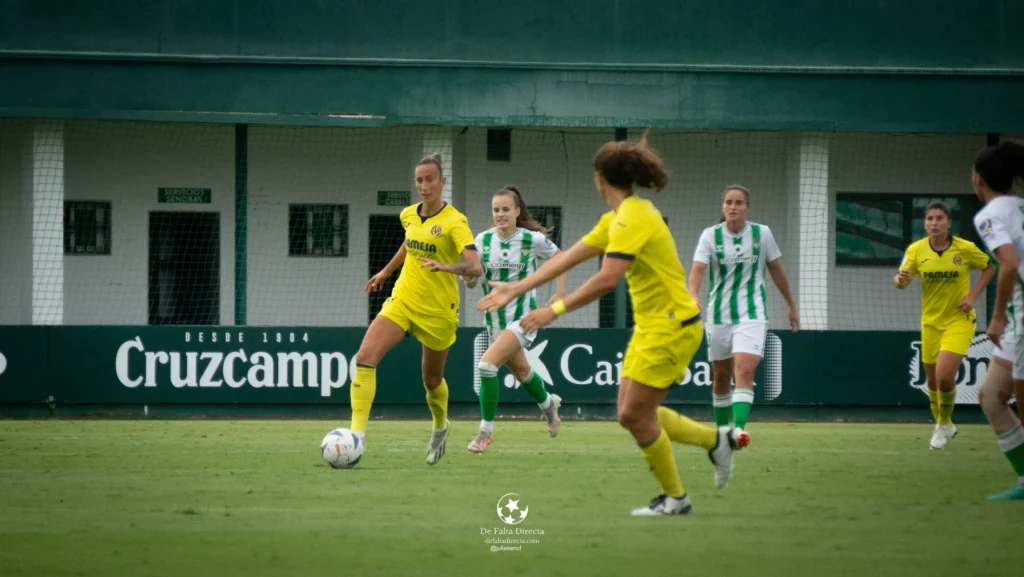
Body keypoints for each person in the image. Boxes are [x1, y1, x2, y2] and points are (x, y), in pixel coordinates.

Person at [478, 132, 746, 516]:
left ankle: (678, 495)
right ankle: (715, 443)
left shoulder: (633, 219)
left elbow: (607, 278)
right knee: (631, 412)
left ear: (601, 178)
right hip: (653, 326)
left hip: (673, 326)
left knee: (634, 415)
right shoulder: (619, 217)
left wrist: (552, 310)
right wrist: (516, 288)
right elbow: (569, 257)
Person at [352, 153, 482, 466]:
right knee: (365, 358)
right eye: (419, 180)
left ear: (442, 182)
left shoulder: (456, 222)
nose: (424, 186)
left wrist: (446, 266)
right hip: (404, 300)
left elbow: (475, 267)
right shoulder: (408, 214)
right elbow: (410, 243)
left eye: (430, 180)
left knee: (431, 380)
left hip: (439, 310)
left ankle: (440, 426)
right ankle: (356, 435)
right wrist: (385, 272)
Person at [687, 186, 799, 438]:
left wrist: (791, 305)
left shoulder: (763, 233)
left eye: (738, 203)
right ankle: (722, 431)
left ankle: (738, 431)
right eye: (728, 202)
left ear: (747, 207)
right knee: (722, 376)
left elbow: (777, 270)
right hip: (718, 316)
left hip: (752, 313)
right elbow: (697, 271)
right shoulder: (709, 236)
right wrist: (693, 295)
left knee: (745, 370)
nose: (733, 207)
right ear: (723, 206)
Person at [462, 185, 567, 453]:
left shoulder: (531, 240)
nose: (500, 214)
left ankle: (485, 432)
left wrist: (559, 293)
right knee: (522, 372)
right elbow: (473, 282)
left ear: (517, 211)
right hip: (495, 321)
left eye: (506, 209)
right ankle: (548, 405)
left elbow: (561, 258)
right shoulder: (482, 240)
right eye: (496, 210)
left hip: (524, 319)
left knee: (486, 367)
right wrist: (470, 278)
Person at [895, 200, 995, 449]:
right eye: (930, 219)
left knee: (944, 376)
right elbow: (900, 282)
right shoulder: (916, 250)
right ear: (925, 224)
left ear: (949, 223)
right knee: (932, 382)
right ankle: (944, 425)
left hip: (958, 321)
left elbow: (989, 267)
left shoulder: (965, 248)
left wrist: (972, 296)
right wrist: (901, 278)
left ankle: (943, 425)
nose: (934, 223)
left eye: (940, 218)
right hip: (930, 323)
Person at [971, 140, 1024, 499]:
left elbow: (1007, 264)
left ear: (979, 179)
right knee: (991, 396)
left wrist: (996, 317)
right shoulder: (1019, 206)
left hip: (1021, 316)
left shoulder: (990, 214)